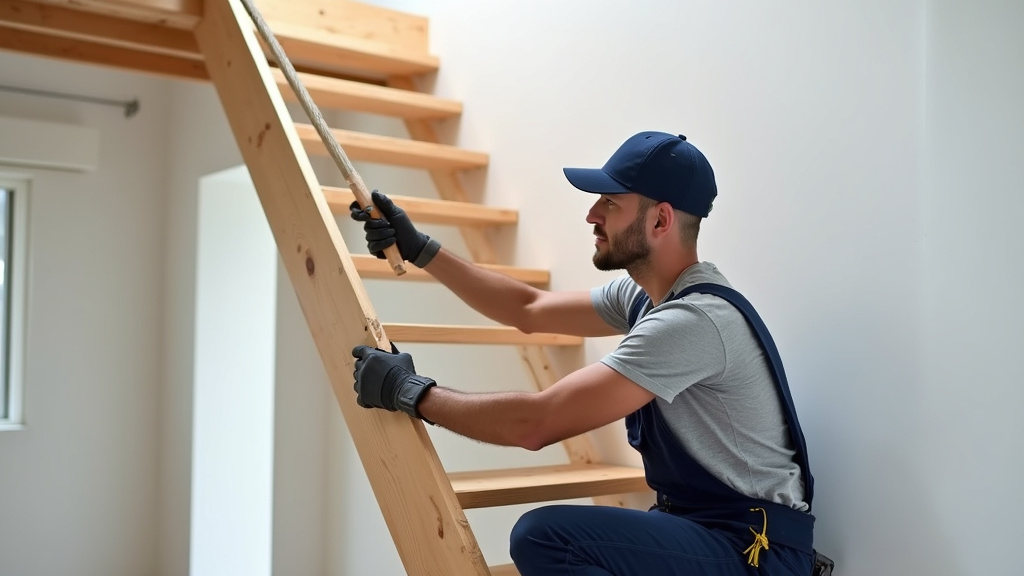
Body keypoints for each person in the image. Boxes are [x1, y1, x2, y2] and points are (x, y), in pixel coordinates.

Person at [349, 131, 816, 576]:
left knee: (546, 536)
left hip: (751, 551)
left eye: (610, 203)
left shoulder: (693, 322)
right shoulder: (645, 297)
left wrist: (410, 392)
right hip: (705, 531)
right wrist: (419, 249)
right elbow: (528, 308)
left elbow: (537, 423)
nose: (592, 214)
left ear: (660, 220)